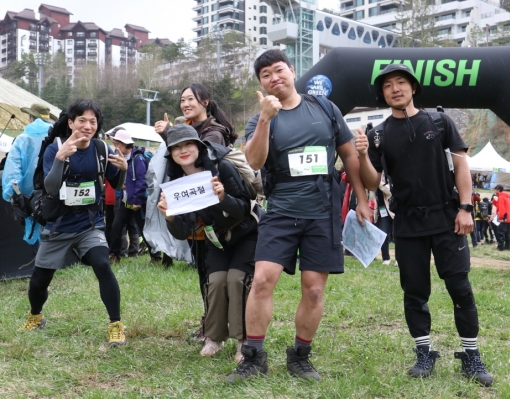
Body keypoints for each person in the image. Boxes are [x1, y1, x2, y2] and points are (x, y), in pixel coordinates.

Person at [227, 49, 370, 383]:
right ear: (260, 83)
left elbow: (349, 156)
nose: (274, 78)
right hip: (280, 210)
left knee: (315, 290)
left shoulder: (323, 107)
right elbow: (256, 161)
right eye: (266, 75)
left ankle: (300, 356)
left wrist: (362, 200)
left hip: (322, 212)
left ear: (292, 71)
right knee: (262, 280)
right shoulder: (259, 118)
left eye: (279, 70)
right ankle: (253, 357)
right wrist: (264, 119)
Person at [355, 63, 493, 386]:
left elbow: (462, 168)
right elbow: (373, 180)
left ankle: (471, 355)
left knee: (460, 287)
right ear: (383, 94)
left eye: (401, 82)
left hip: (447, 218)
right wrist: (362, 155)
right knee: (414, 291)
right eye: (388, 85)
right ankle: (424, 352)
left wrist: (464, 208)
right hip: (407, 222)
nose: (395, 89)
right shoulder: (378, 134)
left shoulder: (440, 121)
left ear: (413, 88)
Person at [17, 99, 128, 347]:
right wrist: (60, 159)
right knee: (39, 281)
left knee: (102, 264)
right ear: (70, 123)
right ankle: (36, 315)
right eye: (82, 120)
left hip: (90, 225)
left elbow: (117, 184)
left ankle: (116, 325)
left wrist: (123, 169)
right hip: (58, 226)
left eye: (93, 121)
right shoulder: (54, 148)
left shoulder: (101, 149)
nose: (88, 126)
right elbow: (51, 187)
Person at [157, 124, 258, 363]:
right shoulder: (177, 183)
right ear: (170, 154)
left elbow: (244, 207)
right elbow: (183, 232)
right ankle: (214, 337)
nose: (183, 150)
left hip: (247, 232)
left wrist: (223, 198)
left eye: (188, 144)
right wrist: (170, 216)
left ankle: (244, 340)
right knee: (215, 281)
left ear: (199, 147)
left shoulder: (222, 168)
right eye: (176, 147)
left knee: (236, 280)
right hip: (217, 237)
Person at [152, 83, 238, 341]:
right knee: (206, 275)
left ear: (206, 102)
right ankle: (210, 324)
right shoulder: (194, 127)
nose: (186, 104)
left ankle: (214, 327)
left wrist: (169, 134)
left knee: (216, 277)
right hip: (196, 218)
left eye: (191, 99)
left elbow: (201, 167)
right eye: (182, 100)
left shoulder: (213, 133)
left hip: (216, 217)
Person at [2, 104, 54, 251]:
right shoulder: (57, 138)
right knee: (51, 227)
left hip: (27, 197)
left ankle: (40, 263)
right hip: (52, 193)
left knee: (35, 228)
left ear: (31, 117)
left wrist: (14, 193)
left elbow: (13, 170)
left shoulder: (22, 139)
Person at [107, 128, 159, 264]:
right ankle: (114, 255)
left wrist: (137, 201)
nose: (116, 147)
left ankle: (156, 256)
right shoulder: (123, 157)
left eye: (117, 144)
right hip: (126, 199)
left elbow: (142, 181)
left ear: (125, 144)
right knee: (116, 227)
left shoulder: (138, 158)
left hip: (138, 201)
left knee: (144, 230)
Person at [376, 173, 395, 265]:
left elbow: (391, 191)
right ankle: (386, 258)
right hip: (383, 211)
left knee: (397, 235)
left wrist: (379, 183)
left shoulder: (391, 176)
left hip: (394, 209)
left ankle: (399, 259)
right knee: (383, 234)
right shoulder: (377, 176)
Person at [492, 184, 510, 251]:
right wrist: (495, 201)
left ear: (498, 189)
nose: (495, 191)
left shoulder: (501, 197)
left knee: (501, 233)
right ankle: (507, 247)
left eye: (495, 189)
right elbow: (499, 205)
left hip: (503, 218)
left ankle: (500, 247)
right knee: (507, 233)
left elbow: (501, 208)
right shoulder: (506, 197)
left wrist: (500, 218)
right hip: (508, 218)